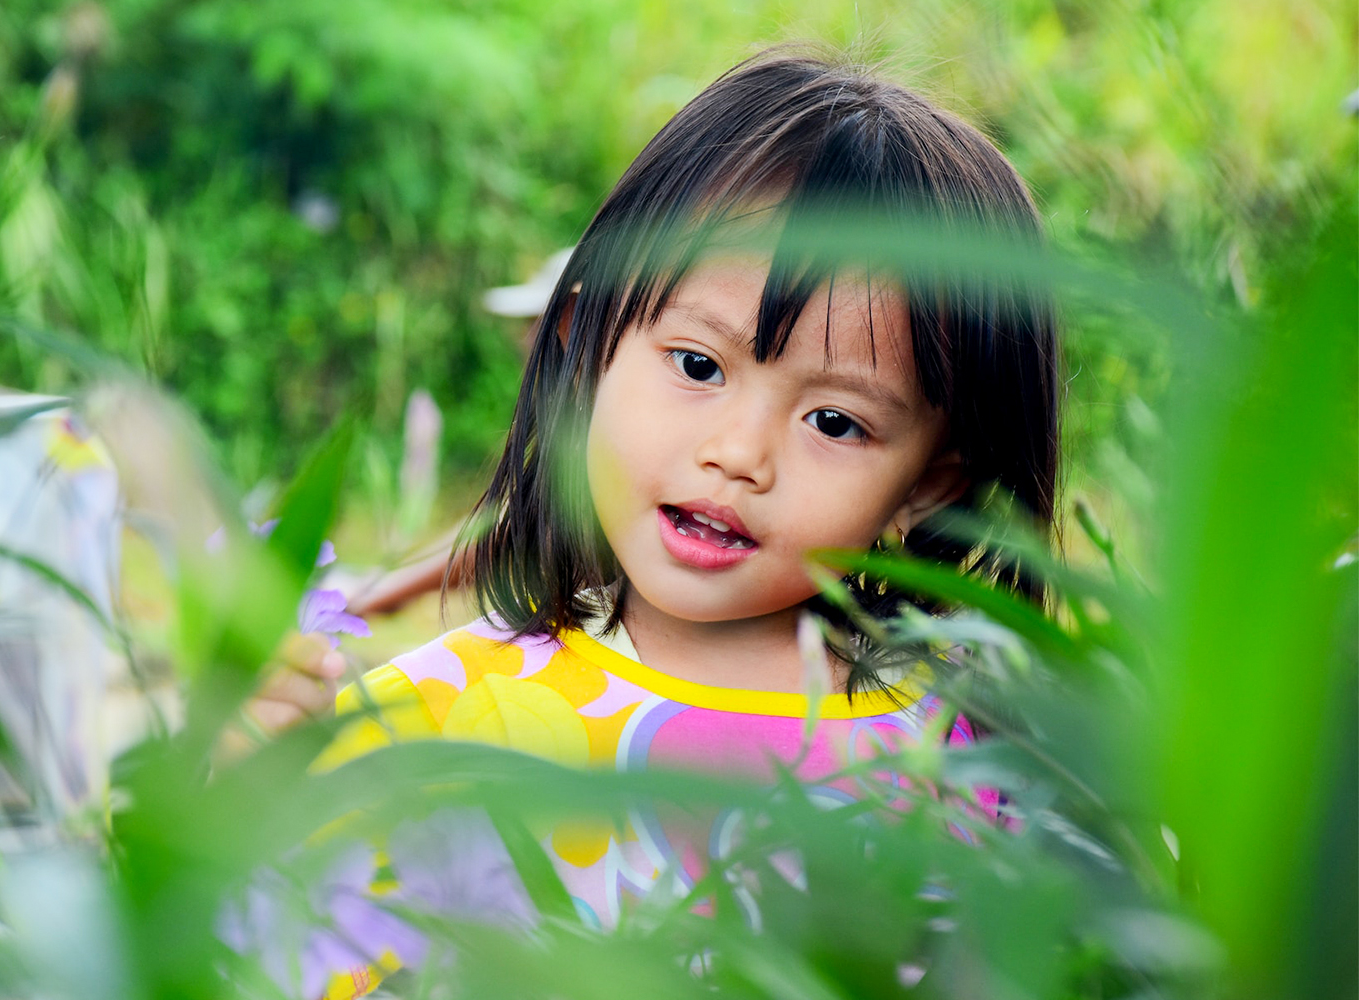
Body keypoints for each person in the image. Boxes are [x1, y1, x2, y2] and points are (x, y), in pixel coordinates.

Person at [260, 50, 1059, 997]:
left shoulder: (973, 762)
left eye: (834, 422)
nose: (738, 453)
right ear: (586, 347)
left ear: (930, 483)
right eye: (697, 365)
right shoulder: (434, 725)